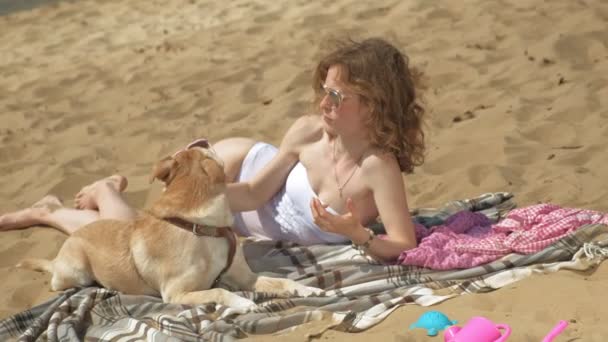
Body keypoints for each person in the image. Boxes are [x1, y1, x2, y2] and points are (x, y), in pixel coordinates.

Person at [0, 38, 425, 262]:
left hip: (248, 219)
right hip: (241, 171)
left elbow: (403, 244)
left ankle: (73, 202)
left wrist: (358, 236)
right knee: (137, 241)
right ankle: (73, 204)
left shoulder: (377, 168)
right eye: (324, 91)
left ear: (373, 105)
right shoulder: (310, 131)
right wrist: (198, 186)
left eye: (337, 97)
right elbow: (257, 192)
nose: (322, 104)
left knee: (136, 243)